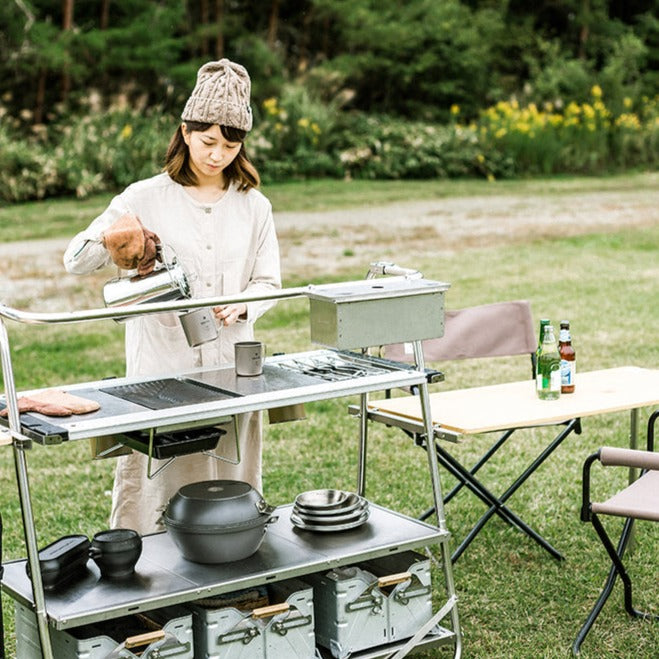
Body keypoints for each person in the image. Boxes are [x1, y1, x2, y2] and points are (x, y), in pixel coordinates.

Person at [64, 59, 281, 535]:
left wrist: (246, 302)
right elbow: (74, 259)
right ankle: (147, 587)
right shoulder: (144, 198)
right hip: (161, 373)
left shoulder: (254, 206)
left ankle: (230, 569)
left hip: (231, 370)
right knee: (157, 484)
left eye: (230, 144)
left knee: (230, 481)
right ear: (185, 131)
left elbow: (270, 281)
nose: (217, 155)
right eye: (207, 142)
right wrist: (115, 240)